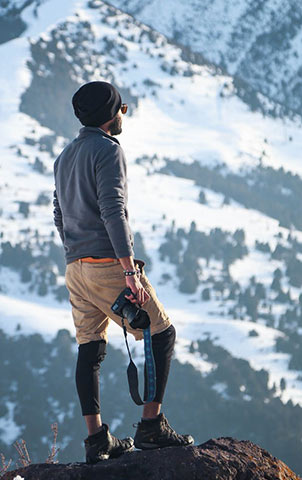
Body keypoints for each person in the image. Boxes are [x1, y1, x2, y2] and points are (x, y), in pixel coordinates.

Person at [53, 81, 194, 464]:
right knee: (162, 334)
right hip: (107, 266)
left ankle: (97, 440)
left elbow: (59, 215)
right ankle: (151, 426)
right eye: (122, 109)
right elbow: (114, 210)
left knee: (91, 349)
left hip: (75, 269)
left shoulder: (64, 156)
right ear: (110, 115)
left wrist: (76, 252)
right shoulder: (108, 150)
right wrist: (128, 270)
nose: (123, 114)